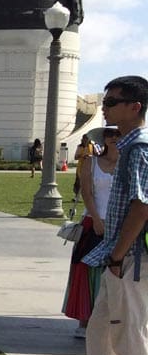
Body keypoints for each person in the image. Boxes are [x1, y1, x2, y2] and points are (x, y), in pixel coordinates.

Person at [72, 76, 148, 355]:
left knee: (130, 340)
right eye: (105, 100)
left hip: (129, 258)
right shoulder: (131, 144)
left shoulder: (138, 148)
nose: (105, 106)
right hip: (117, 256)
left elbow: (142, 205)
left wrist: (118, 254)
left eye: (113, 101)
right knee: (100, 332)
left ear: (135, 107)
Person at [62, 127, 119, 339]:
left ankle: (111, 321)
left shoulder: (129, 163)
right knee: (87, 271)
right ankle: (84, 320)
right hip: (92, 222)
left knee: (113, 273)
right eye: (110, 134)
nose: (114, 138)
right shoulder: (91, 162)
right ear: (103, 138)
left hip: (119, 225)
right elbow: (86, 192)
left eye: (118, 135)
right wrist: (96, 219)